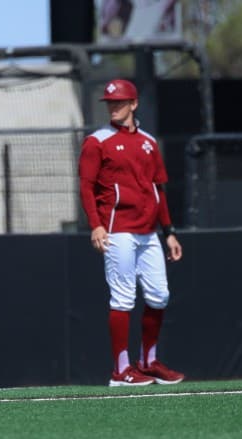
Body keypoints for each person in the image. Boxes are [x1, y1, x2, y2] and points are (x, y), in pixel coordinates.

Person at [78, 79, 185, 387]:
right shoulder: (97, 141)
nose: (114, 107)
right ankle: (121, 370)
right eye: (111, 103)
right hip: (117, 229)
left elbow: (158, 189)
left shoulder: (149, 142)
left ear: (134, 104)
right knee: (123, 298)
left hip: (149, 231)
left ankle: (148, 362)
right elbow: (86, 187)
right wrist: (96, 225)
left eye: (120, 102)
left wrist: (170, 232)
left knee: (159, 295)